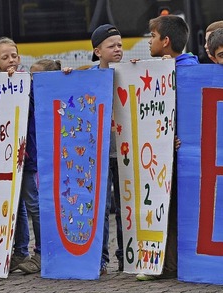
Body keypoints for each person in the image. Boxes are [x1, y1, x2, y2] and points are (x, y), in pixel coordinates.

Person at [136, 15, 200, 281]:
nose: (149, 41)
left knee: (173, 210)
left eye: (152, 36)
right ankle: (165, 264)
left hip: (179, 154)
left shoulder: (185, 70)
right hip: (163, 153)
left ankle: (169, 265)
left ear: (166, 41)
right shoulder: (160, 68)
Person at [0, 37, 34, 273]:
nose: (11, 60)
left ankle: (28, 251)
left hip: (26, 154)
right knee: (15, 205)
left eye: (14, 55)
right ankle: (17, 251)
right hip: (3, 154)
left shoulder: (27, 81)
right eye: (5, 57)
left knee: (29, 202)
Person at [14, 58, 62, 275]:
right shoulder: (29, 95)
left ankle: (42, 253)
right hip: (27, 157)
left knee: (35, 205)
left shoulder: (40, 97)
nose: (30, 81)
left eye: (35, 77)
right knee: (31, 205)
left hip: (32, 158)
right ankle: (34, 252)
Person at [90, 24, 123, 276]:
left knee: (125, 208)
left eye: (120, 45)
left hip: (124, 151)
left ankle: (125, 257)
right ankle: (100, 258)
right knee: (100, 208)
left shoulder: (131, 71)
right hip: (99, 152)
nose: (118, 49)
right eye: (111, 46)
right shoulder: (89, 76)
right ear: (97, 51)